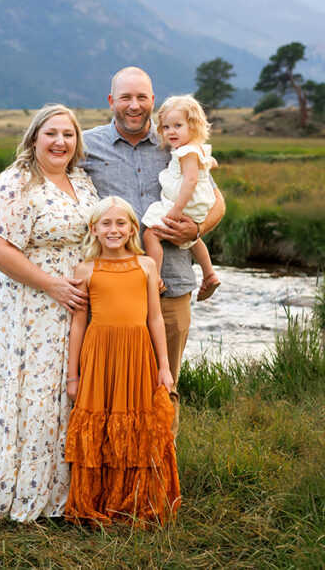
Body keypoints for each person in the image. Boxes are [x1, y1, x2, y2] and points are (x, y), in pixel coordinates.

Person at [0, 104, 99, 522]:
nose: (60, 142)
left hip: (77, 305)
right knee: (34, 393)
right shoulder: (17, 182)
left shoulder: (82, 181)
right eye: (51, 134)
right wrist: (51, 284)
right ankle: (22, 493)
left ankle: (67, 493)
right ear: (34, 138)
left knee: (69, 390)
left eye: (68, 134)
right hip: (30, 307)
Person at [81, 67, 224, 426]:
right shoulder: (86, 145)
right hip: (110, 293)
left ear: (152, 101)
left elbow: (217, 202)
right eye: (125, 97)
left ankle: (162, 461)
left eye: (141, 97)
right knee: (111, 390)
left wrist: (196, 228)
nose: (134, 105)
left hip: (171, 285)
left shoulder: (175, 142)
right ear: (111, 101)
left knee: (165, 387)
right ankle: (117, 459)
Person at [64, 196, 181, 526]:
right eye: (106, 224)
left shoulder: (147, 266)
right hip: (100, 355)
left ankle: (135, 499)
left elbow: (155, 318)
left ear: (133, 229)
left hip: (138, 353)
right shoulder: (85, 269)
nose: (113, 230)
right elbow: (78, 324)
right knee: (101, 422)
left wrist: (164, 366)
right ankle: (99, 501)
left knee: (137, 421)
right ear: (94, 230)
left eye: (120, 223)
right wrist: (73, 376)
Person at [141, 94, 221, 301]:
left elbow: (191, 181)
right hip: (196, 205)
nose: (171, 132)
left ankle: (155, 277)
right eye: (166, 127)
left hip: (183, 203)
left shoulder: (186, 152)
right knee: (192, 238)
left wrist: (176, 209)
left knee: (151, 234)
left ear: (193, 126)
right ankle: (209, 273)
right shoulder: (198, 148)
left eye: (178, 126)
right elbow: (212, 163)